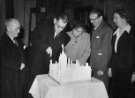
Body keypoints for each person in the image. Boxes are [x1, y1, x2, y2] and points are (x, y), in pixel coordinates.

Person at [108, 8, 134, 98]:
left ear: (124, 18)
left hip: (127, 71)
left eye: (116, 18)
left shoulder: (132, 33)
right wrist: (110, 67)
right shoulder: (115, 33)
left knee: (125, 94)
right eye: (113, 18)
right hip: (116, 70)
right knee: (114, 93)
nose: (114, 20)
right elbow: (114, 53)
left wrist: (134, 72)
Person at [0, 18, 29, 98]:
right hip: (9, 80)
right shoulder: (2, 42)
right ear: (8, 28)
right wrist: (18, 65)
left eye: (19, 28)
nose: (19, 31)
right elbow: (2, 60)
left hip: (20, 78)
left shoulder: (17, 41)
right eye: (16, 29)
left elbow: (25, 52)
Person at [89, 8, 113, 90]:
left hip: (101, 68)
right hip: (94, 66)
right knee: (95, 90)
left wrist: (102, 68)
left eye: (93, 19)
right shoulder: (95, 29)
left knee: (101, 90)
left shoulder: (107, 30)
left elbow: (106, 51)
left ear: (100, 18)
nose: (91, 22)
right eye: (90, 19)